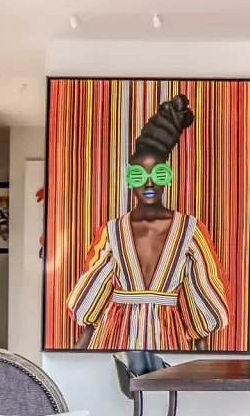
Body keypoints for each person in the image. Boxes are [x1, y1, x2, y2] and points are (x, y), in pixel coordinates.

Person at [66, 94, 230, 350]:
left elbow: (200, 293)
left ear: (168, 178)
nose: (149, 182)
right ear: (129, 181)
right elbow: (93, 299)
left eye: (159, 174)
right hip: (115, 338)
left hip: (168, 337)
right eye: (138, 175)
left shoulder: (189, 231)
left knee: (166, 378)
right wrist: (75, 356)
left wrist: (204, 362)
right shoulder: (113, 232)